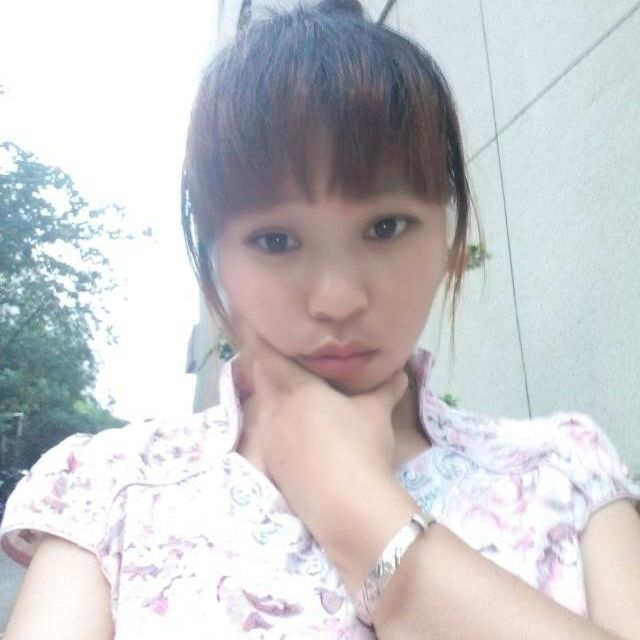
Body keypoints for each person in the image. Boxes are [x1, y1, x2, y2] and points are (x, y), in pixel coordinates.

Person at [1, 1, 639, 638]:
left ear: (448, 237)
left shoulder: (564, 470)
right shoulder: (112, 491)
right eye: (275, 240)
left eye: (385, 227)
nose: (337, 299)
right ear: (215, 262)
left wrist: (359, 510)